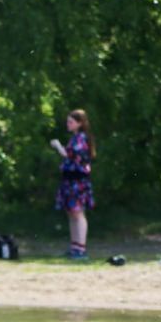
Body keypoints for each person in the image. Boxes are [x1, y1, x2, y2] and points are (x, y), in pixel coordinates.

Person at [51, 109, 95, 260]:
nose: (68, 124)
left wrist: (57, 145)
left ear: (80, 123)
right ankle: (74, 246)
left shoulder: (81, 138)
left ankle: (81, 249)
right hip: (69, 180)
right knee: (71, 213)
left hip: (78, 181)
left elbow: (68, 154)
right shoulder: (75, 138)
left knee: (78, 213)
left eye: (71, 121)